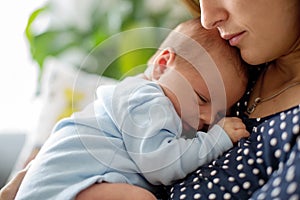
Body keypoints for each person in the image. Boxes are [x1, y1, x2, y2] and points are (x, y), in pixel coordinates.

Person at [74, 0, 300, 199]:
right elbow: (158, 161)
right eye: (201, 99)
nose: (207, 18)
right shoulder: (229, 56)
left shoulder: (231, 76)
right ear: (163, 65)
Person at [14, 18, 249, 199]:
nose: (208, 118)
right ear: (163, 65)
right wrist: (217, 139)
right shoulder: (148, 100)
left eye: (220, 112)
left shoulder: (144, 97)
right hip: (62, 189)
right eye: (201, 98)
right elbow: (162, 165)